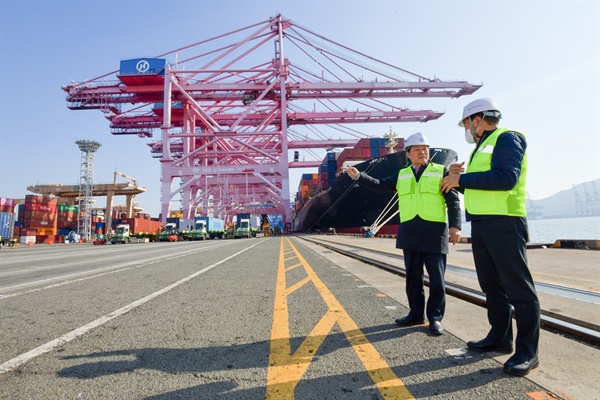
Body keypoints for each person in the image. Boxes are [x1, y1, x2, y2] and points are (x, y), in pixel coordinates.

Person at [440, 98, 540, 376]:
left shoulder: (508, 138)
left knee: (519, 288)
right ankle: (500, 338)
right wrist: (454, 179)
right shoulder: (480, 148)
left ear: (478, 119)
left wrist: (463, 180)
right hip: (483, 225)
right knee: (491, 286)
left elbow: (506, 178)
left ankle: (528, 352)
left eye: (467, 124)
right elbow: (478, 187)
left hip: (506, 222)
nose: (467, 130)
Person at [345, 132, 461, 336]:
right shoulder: (402, 174)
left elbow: (452, 200)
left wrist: (455, 227)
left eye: (425, 149)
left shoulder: (441, 171)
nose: (422, 152)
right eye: (417, 149)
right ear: (408, 154)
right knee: (413, 277)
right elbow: (380, 186)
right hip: (410, 230)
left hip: (435, 231)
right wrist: (359, 176)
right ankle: (416, 314)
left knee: (437, 279)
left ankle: (435, 318)